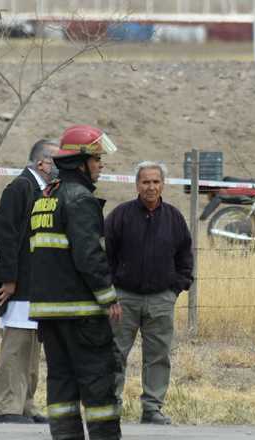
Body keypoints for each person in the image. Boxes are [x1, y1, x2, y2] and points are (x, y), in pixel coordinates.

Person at [28, 124, 123, 440]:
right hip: (82, 314)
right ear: (80, 162)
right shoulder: (79, 198)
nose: (100, 165)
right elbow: (88, 255)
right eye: (96, 159)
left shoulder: (46, 197)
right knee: (99, 388)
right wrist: (109, 297)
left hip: (50, 315)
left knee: (62, 389)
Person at [104, 161, 194, 425]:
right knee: (114, 354)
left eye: (156, 181)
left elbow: (185, 256)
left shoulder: (174, 218)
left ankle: (152, 409)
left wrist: (176, 289)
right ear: (137, 185)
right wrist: (110, 294)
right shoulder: (120, 215)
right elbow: (104, 257)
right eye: (146, 182)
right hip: (123, 300)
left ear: (163, 184)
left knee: (158, 356)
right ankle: (110, 408)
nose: (151, 187)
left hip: (161, 300)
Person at [0, 139, 59, 424]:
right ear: (42, 163)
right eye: (57, 161)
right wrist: (9, 278)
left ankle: (25, 405)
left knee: (31, 350)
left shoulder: (43, 190)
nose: (61, 167)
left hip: (36, 285)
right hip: (18, 287)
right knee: (16, 348)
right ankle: (8, 408)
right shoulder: (20, 188)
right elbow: (3, 231)